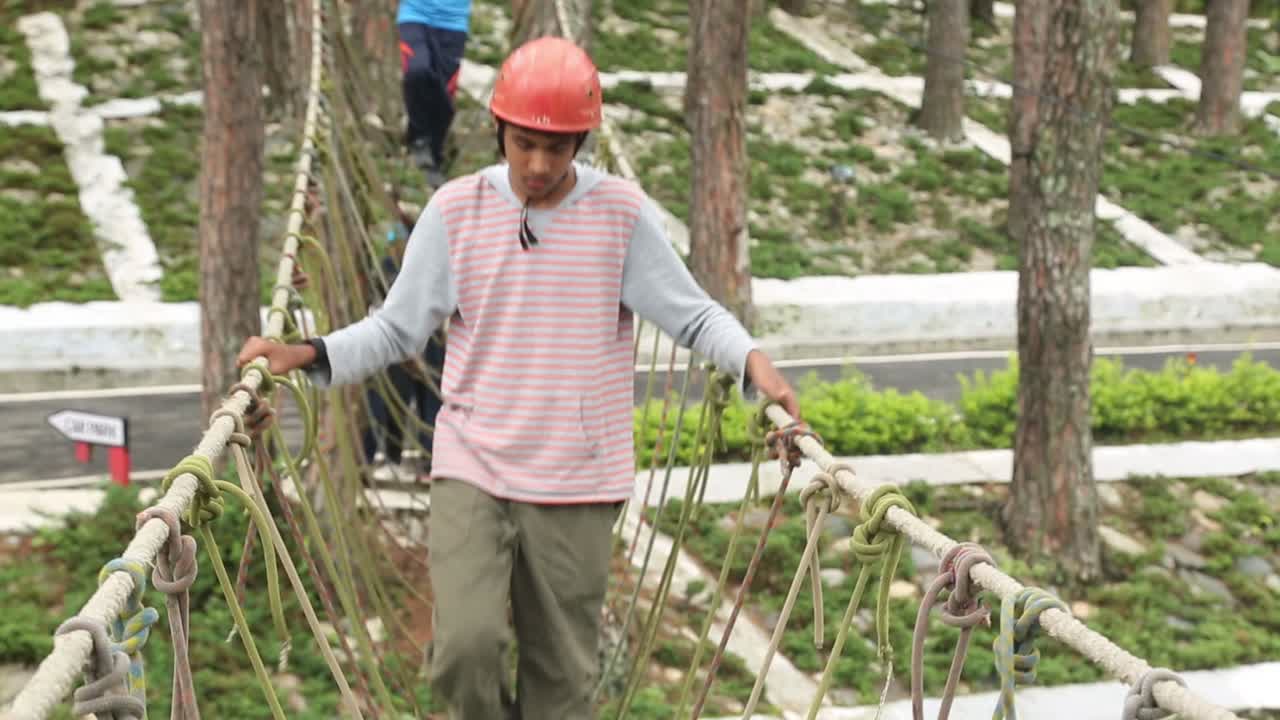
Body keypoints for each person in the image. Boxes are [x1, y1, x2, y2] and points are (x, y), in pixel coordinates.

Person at [237, 36, 799, 720]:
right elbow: (396, 328)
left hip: (578, 479)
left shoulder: (619, 215)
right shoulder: (456, 211)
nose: (538, 164)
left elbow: (692, 314)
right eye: (524, 142)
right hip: (474, 463)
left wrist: (752, 361)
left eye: (558, 148)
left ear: (582, 144)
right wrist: (308, 352)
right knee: (463, 652)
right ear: (498, 130)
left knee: (560, 682)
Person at [398, 0, 472, 187]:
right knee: (417, 71)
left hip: (454, 24)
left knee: (444, 98)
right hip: (414, 14)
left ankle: (435, 154)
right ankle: (419, 139)